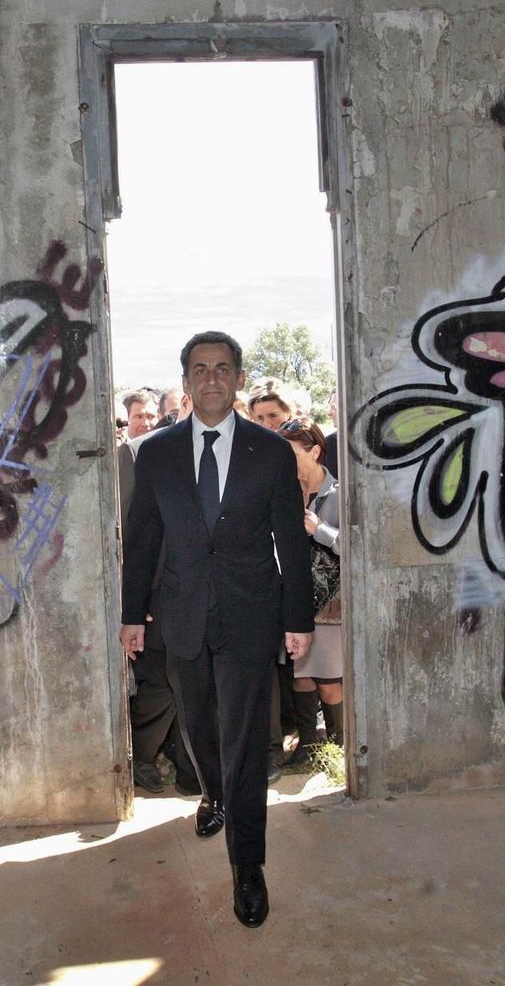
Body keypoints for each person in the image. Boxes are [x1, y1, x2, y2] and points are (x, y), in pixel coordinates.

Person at [120, 331, 314, 929]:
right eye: (200, 369)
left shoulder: (271, 452)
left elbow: (292, 542)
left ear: (237, 379)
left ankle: (248, 866)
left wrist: (298, 619)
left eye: (223, 368)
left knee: (246, 739)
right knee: (200, 728)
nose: (211, 378)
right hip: (180, 615)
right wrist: (131, 615)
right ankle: (215, 792)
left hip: (250, 614)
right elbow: (143, 538)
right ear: (186, 381)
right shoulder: (155, 452)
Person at [118, 393, 201, 797]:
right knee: (159, 684)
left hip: (204, 591)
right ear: (185, 400)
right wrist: (138, 601)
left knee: (197, 685)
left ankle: (192, 772)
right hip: (156, 593)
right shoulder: (135, 454)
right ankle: (142, 758)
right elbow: (133, 532)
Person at [278, 417, 343, 764]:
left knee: (330, 680)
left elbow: (355, 548)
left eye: (291, 455)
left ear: (315, 451)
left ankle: (337, 748)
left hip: (331, 603)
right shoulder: (282, 492)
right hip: (293, 599)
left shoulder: (340, 493)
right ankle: (307, 746)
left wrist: (320, 530)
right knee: (300, 676)